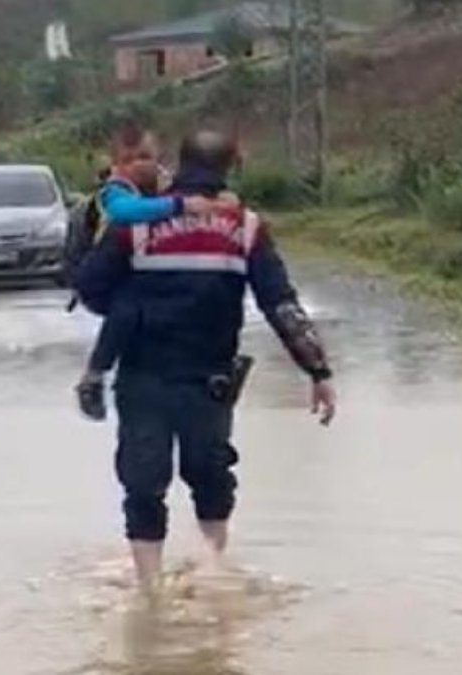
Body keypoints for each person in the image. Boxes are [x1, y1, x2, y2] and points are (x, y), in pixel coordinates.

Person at [74, 129, 338, 593]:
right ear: (231, 165)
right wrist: (317, 371)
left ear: (178, 163)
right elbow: (281, 305)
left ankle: (150, 592)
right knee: (211, 478)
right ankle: (211, 572)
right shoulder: (246, 227)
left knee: (143, 484)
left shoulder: (138, 222)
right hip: (209, 381)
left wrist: (133, 303)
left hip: (143, 376)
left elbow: (90, 288)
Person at [74, 125, 236, 420]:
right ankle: (95, 375)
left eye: (146, 156)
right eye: (129, 160)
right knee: (128, 306)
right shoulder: (113, 191)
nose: (140, 165)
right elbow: (127, 212)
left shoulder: (165, 184)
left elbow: (201, 197)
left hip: (142, 267)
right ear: (114, 165)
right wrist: (180, 205)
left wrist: (222, 200)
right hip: (104, 277)